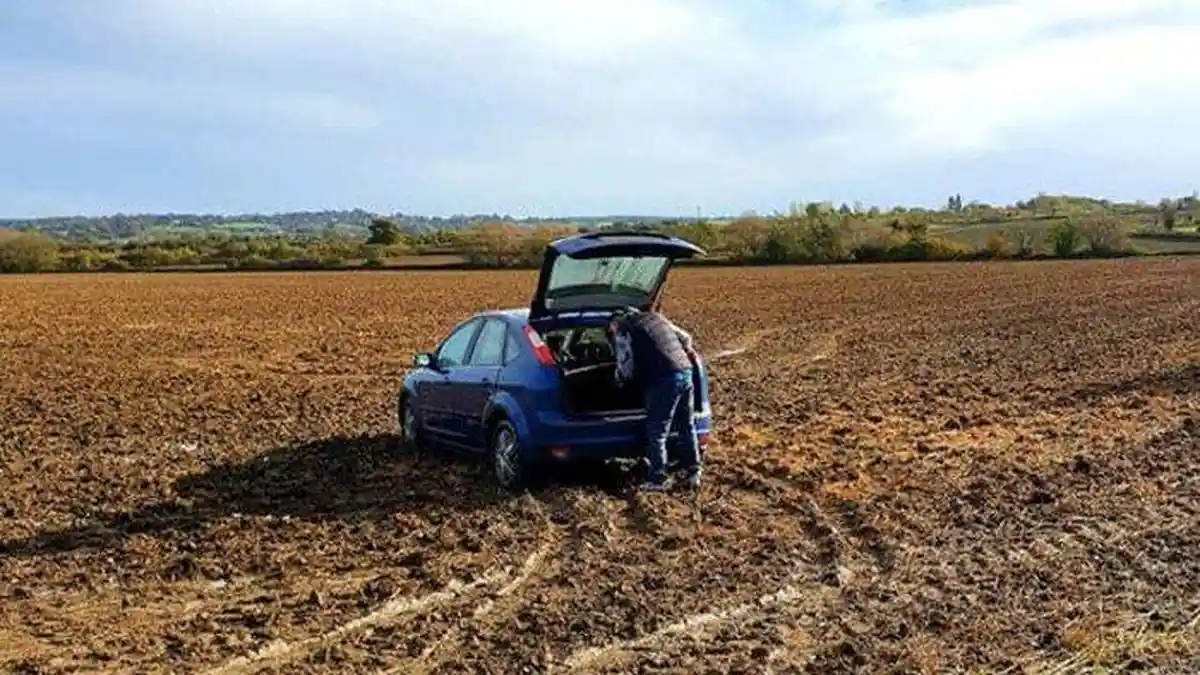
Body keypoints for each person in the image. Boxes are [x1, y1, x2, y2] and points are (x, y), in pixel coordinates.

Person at [607, 307, 702, 491]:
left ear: (615, 323)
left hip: (663, 379)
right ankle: (693, 471)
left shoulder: (624, 329)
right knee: (686, 424)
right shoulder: (657, 319)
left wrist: (618, 383)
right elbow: (687, 339)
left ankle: (657, 479)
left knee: (657, 430)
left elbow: (625, 365)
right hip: (685, 371)